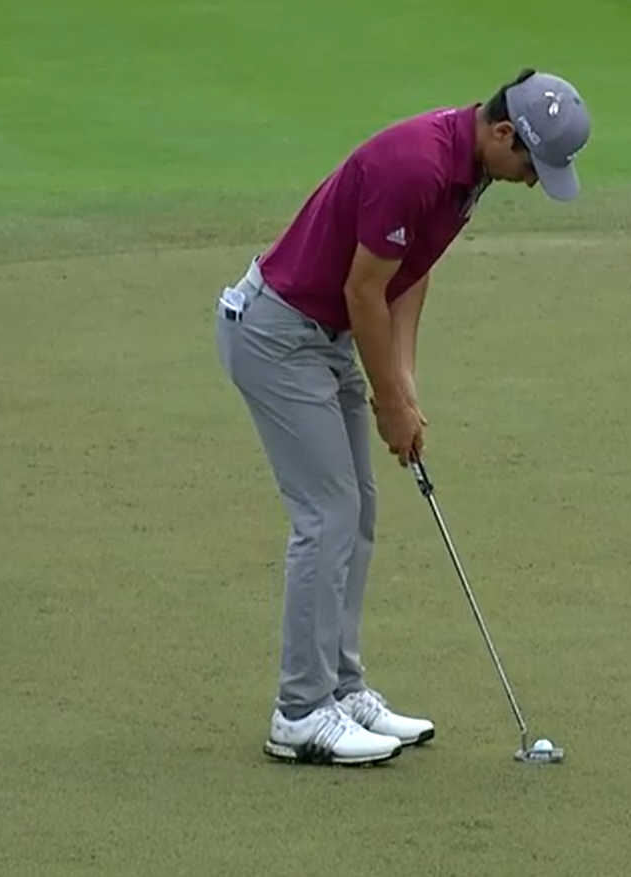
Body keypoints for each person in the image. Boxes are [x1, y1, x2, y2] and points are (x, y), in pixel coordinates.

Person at [213, 69, 592, 765]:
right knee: (324, 513)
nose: (535, 181)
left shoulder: (470, 173)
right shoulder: (418, 165)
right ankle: (300, 710)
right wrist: (388, 403)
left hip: (321, 336)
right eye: (532, 166)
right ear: (503, 133)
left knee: (354, 509)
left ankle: (342, 687)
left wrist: (405, 385)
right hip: (276, 334)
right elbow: (364, 293)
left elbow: (409, 272)